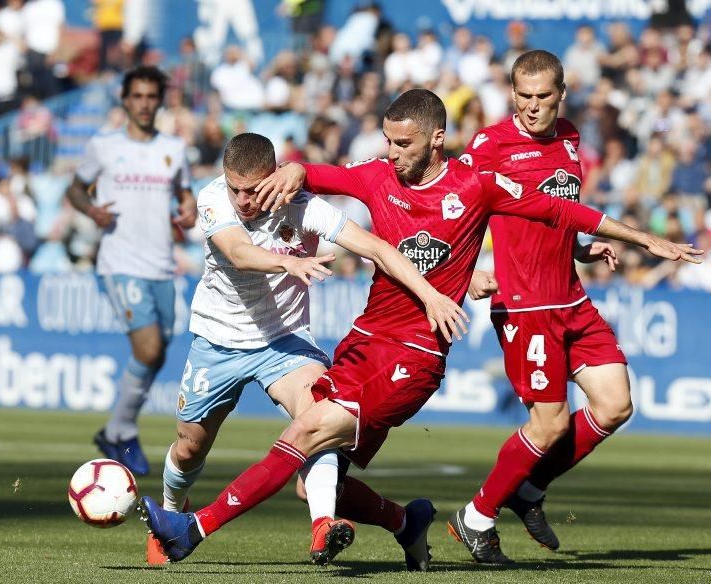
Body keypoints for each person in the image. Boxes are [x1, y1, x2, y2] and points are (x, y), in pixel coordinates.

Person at [138, 88, 701, 565]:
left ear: (437, 139)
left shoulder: (476, 185)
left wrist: (642, 237)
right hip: (364, 343)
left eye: (402, 143)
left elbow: (559, 212)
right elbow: (320, 174)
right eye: (387, 140)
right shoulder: (377, 177)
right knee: (313, 479)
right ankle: (408, 523)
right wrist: (295, 168)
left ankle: (190, 530)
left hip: (414, 356)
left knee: (303, 435)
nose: (391, 153)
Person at [148, 131, 442, 569]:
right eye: (236, 189)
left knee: (315, 416)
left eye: (253, 189)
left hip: (284, 342)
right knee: (190, 448)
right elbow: (239, 251)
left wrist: (431, 290)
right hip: (217, 339)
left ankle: (323, 524)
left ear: (275, 175)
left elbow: (375, 247)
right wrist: (289, 261)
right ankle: (172, 513)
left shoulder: (303, 206)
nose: (244, 200)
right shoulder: (213, 199)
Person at [449, 49, 645, 564]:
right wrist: (464, 272)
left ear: (561, 94)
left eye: (543, 97)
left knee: (615, 404)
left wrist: (584, 247)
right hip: (525, 304)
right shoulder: (489, 144)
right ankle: (476, 517)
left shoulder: (572, 137)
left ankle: (529, 489)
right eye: (524, 96)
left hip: (572, 295)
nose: (533, 107)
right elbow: (453, 211)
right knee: (551, 423)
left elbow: (556, 215)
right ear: (513, 94)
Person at [67, 65, 197, 475]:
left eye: (151, 96)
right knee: (149, 349)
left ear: (160, 101)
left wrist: (189, 210)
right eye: (137, 96)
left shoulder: (173, 149)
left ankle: (117, 430)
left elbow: (186, 195)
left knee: (158, 351)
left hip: (162, 265)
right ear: (125, 99)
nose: (144, 104)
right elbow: (75, 188)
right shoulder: (104, 145)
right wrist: (91, 209)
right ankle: (120, 431)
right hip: (119, 263)